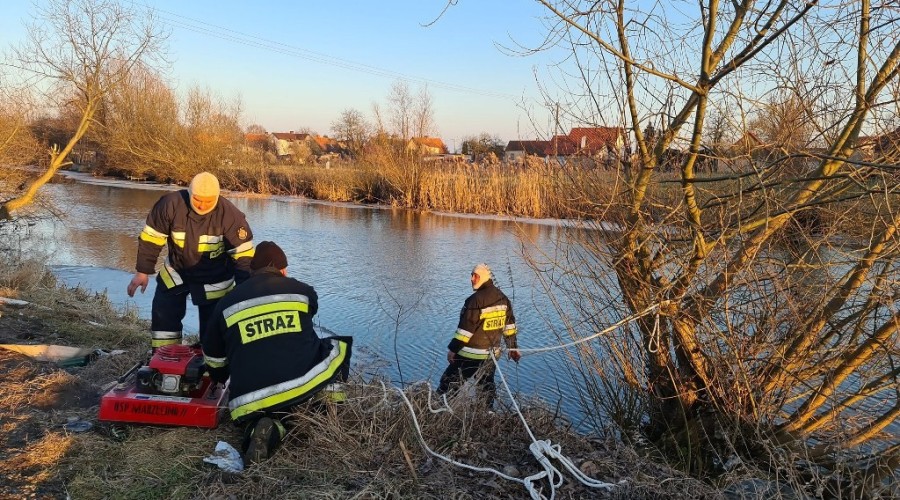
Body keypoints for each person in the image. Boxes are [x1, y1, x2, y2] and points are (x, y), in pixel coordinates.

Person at [201, 241, 352, 464]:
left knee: (262, 419)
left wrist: (220, 377)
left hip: (247, 400)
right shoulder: (303, 292)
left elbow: (213, 356)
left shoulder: (226, 303)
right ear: (283, 270)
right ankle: (326, 412)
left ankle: (263, 428)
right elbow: (311, 311)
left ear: (251, 271)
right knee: (337, 348)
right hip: (298, 385)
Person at [127, 172, 255, 350]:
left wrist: (245, 291)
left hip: (215, 280)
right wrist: (142, 271)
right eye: (197, 199)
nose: (202, 205)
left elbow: (244, 257)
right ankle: (163, 357)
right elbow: (151, 239)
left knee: (214, 330)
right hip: (176, 272)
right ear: (189, 192)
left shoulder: (230, 216)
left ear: (217, 197)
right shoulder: (170, 205)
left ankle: (211, 366)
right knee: (163, 316)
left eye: (208, 201)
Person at [438, 263, 520, 404]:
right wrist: (512, 347)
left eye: (475, 276)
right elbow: (510, 327)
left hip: (469, 355)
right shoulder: (503, 299)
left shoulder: (475, 300)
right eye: (471, 275)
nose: (471, 279)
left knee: (448, 383)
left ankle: (438, 412)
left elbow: (465, 330)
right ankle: (487, 413)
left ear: (483, 277)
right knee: (486, 387)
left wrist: (452, 350)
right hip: (491, 356)